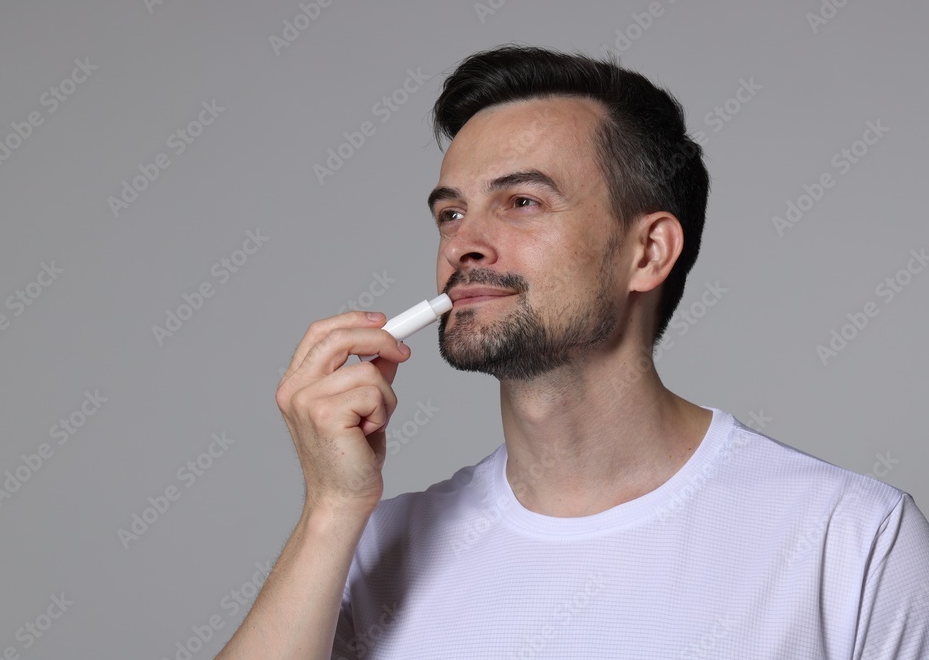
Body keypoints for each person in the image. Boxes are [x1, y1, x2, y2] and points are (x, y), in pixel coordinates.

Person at [217, 45, 929, 659]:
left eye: (522, 202)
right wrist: (332, 507)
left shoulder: (849, 537)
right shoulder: (370, 545)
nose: (463, 244)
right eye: (451, 212)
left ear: (648, 252)